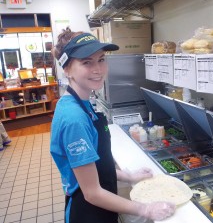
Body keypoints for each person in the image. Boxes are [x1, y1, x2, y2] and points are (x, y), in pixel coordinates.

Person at [50, 28, 176, 223]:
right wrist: (146, 210)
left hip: (101, 206)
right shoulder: (74, 118)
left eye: (101, 59)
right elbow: (92, 193)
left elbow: (95, 166)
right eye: (86, 62)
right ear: (66, 69)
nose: (98, 69)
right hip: (88, 212)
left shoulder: (81, 104)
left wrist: (128, 176)